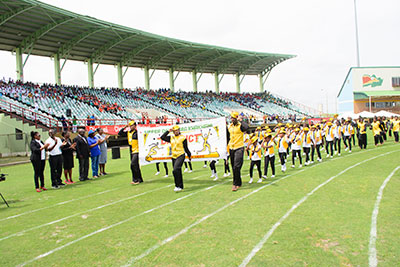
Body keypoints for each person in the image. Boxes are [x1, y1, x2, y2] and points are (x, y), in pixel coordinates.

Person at [161, 125, 192, 192]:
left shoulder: (183, 138)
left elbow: (186, 148)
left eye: (177, 130)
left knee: (175, 170)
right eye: (174, 131)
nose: (176, 132)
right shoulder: (171, 138)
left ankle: (178, 186)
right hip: (174, 156)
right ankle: (179, 186)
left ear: (179, 130)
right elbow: (162, 137)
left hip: (181, 155)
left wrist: (189, 155)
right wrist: (168, 131)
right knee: (178, 172)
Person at [227, 111, 249, 191]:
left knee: (237, 166)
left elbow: (246, 127)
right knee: (233, 167)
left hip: (239, 147)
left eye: (233, 118)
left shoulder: (241, 126)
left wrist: (241, 120)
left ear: (236, 118)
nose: (232, 119)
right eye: (231, 118)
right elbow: (227, 137)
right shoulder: (229, 126)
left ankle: (235, 184)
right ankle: (238, 182)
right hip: (231, 148)